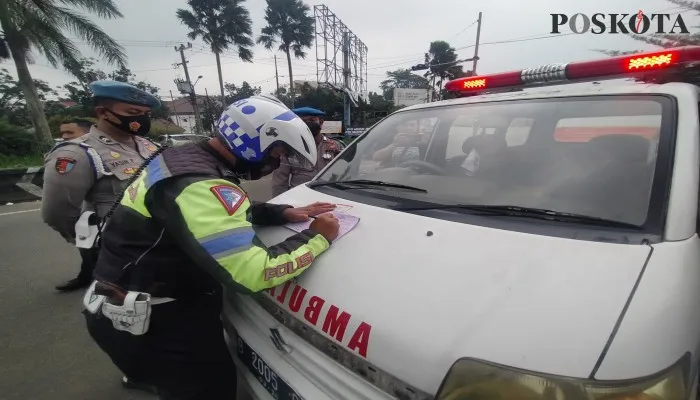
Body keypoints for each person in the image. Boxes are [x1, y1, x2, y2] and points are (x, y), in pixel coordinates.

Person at [82, 94, 341, 399]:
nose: (278, 160)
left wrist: (281, 212)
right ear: (253, 142)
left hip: (132, 299)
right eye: (278, 150)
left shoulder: (188, 158)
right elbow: (254, 272)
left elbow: (208, 212)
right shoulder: (199, 183)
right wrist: (317, 237)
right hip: (160, 320)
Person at [42, 80, 162, 293]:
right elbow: (56, 212)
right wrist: (94, 243)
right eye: (133, 111)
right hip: (118, 253)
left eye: (146, 114)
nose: (141, 119)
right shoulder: (77, 154)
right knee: (127, 313)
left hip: (158, 247)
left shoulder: (149, 146)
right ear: (103, 112)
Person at [271, 106, 345, 196]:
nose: (307, 124)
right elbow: (279, 183)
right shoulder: (289, 149)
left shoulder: (336, 146)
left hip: (330, 197)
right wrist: (281, 207)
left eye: (312, 120)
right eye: (303, 121)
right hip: (300, 199)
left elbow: (346, 174)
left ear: (321, 122)